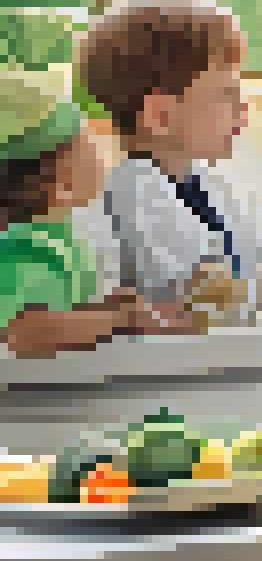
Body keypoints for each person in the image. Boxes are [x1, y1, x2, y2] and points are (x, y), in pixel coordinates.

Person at [72, 0, 262, 324]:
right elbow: (196, 289)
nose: (243, 108)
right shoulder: (132, 194)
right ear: (160, 115)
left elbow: (255, 254)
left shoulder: (212, 186)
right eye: (225, 94)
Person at [0, 62, 153, 357]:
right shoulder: (22, 249)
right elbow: (27, 331)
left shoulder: (57, 236)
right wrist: (116, 320)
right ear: (60, 185)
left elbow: (52, 309)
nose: (98, 144)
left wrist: (96, 310)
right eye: (84, 138)